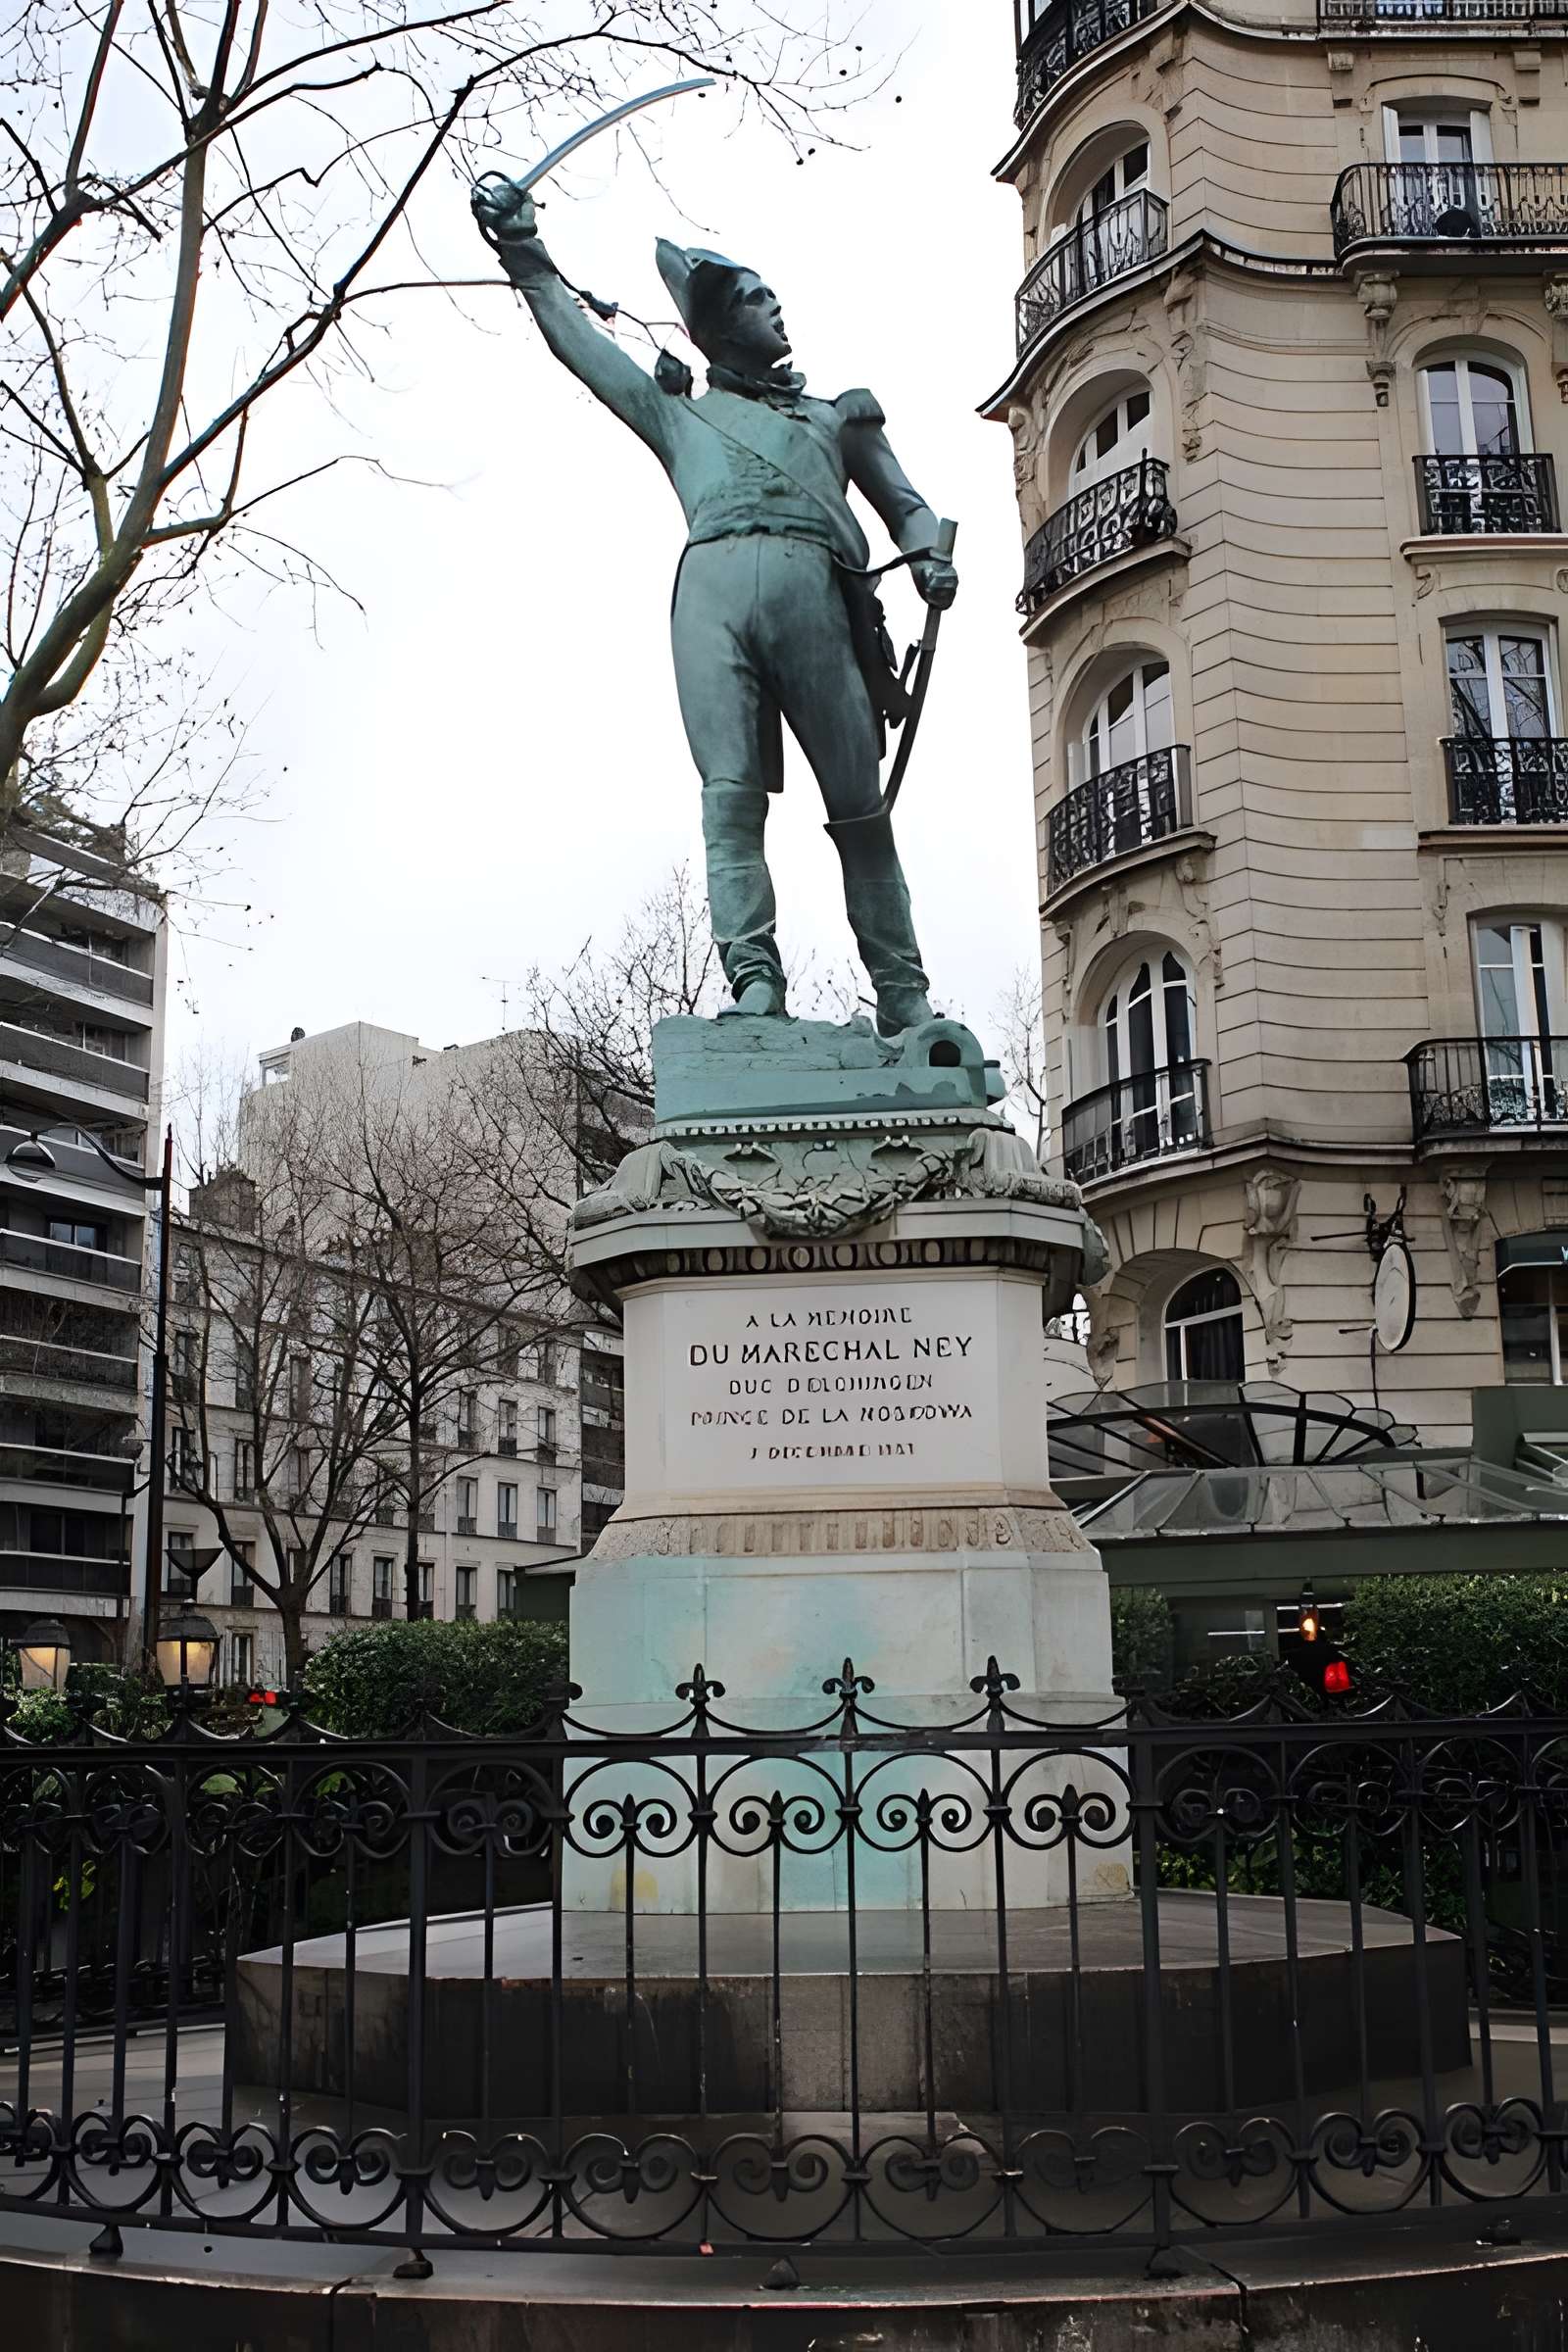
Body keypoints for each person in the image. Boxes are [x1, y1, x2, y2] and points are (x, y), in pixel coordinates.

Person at [471, 182, 959, 1036]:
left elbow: (906, 504)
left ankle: (904, 994)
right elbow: (582, 346)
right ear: (720, 327)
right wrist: (523, 251)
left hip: (820, 591)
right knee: (729, 797)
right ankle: (755, 978)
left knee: (860, 804)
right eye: (758, 301)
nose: (777, 312)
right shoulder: (679, 417)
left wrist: (928, 557)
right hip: (711, 596)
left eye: (773, 297)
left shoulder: (837, 417)